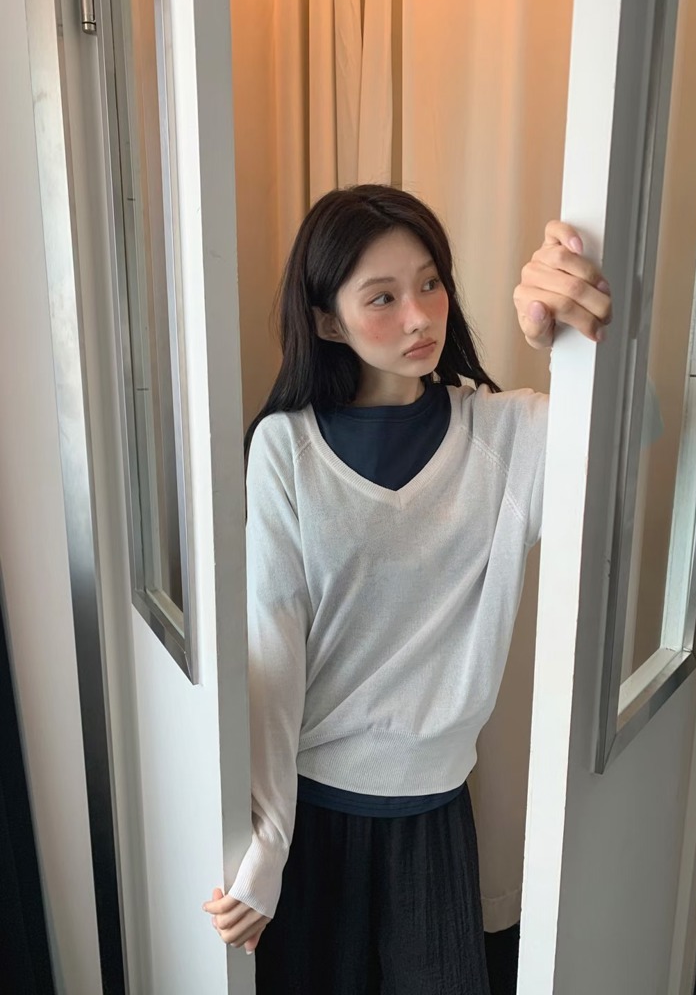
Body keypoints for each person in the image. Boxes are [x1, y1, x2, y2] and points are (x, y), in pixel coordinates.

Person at [202, 184, 611, 994]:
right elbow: (272, 653)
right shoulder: (285, 448)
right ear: (328, 322)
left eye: (430, 283)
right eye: (382, 297)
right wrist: (268, 845)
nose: (421, 316)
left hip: (434, 814)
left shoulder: (507, 435)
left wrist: (571, 343)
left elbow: (636, 434)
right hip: (313, 815)